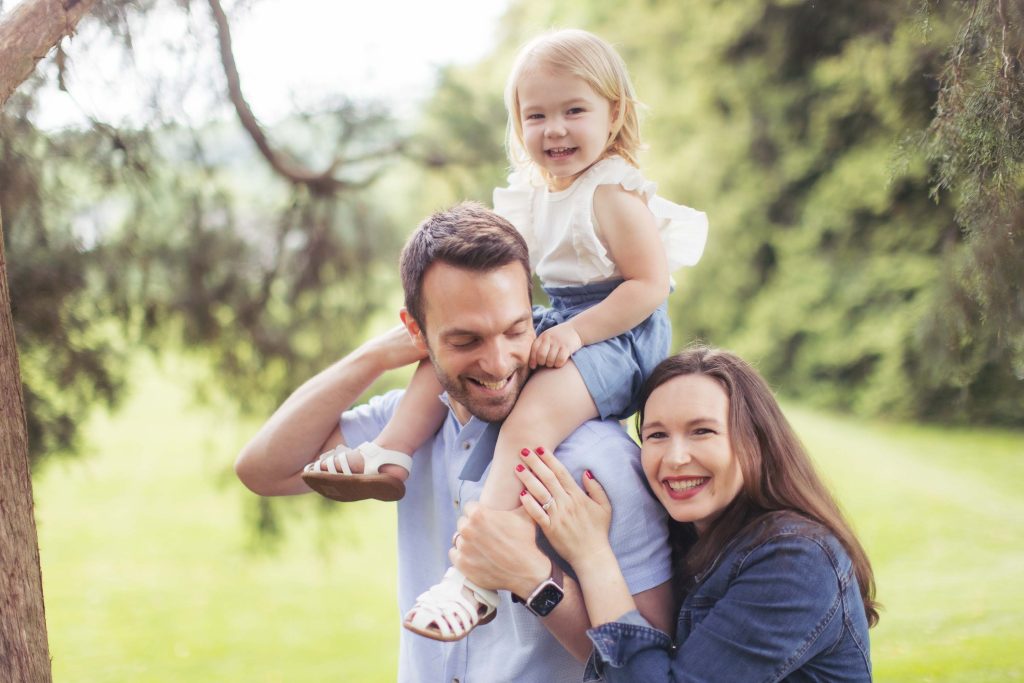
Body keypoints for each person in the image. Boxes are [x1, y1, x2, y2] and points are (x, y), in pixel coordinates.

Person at [300, 27, 708, 641]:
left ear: (613, 112)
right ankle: (391, 449)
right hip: (566, 321)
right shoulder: (540, 194)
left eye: (574, 110)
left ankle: (473, 577)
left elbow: (649, 287)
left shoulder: (614, 193)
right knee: (440, 363)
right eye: (535, 114)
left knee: (526, 419)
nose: (555, 130)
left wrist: (574, 334)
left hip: (616, 336)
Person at [234, 202, 675, 682]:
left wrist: (537, 582)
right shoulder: (407, 428)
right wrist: (375, 357)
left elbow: (648, 662)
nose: (498, 363)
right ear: (416, 333)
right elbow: (265, 469)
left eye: (515, 330)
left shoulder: (602, 461)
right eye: (466, 341)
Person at [475, 346, 878, 682]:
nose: (676, 457)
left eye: (702, 431)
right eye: (656, 435)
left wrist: (585, 559)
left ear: (754, 440)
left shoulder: (796, 560)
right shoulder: (688, 537)